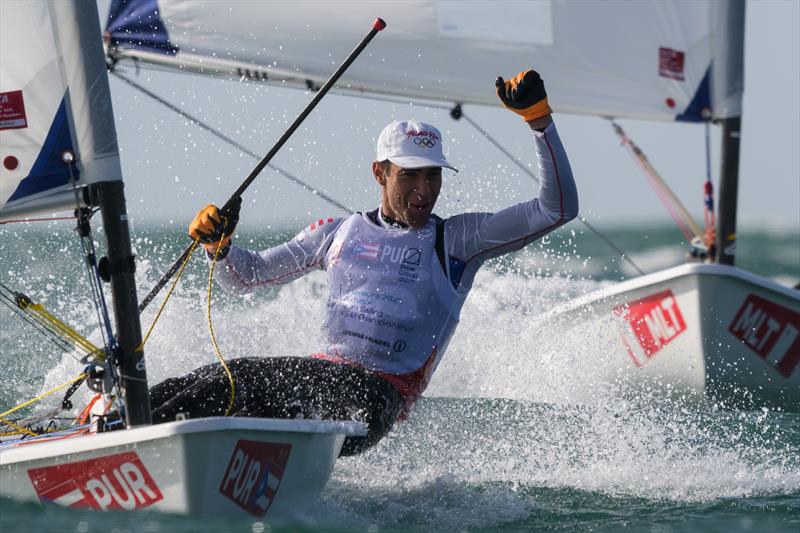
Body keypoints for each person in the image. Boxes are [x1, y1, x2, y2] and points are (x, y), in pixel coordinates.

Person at [149, 70, 578, 456]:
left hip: (378, 399)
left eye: (433, 175)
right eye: (410, 175)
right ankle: (118, 429)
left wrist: (538, 121)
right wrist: (219, 248)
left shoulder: (457, 241)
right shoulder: (337, 233)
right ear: (379, 173)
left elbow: (555, 209)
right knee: (208, 381)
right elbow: (247, 277)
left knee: (244, 378)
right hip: (319, 380)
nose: (424, 190)